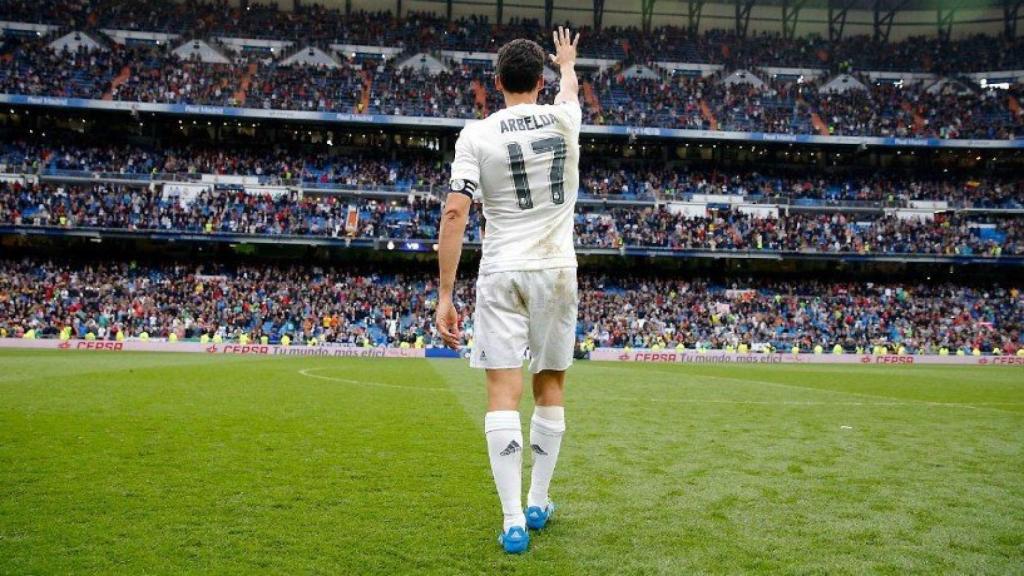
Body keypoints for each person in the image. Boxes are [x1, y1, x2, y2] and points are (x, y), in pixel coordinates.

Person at [435, 27, 582, 554]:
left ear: (497, 82)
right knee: (550, 386)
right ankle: (540, 500)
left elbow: (456, 211)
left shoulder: (476, 135)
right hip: (557, 268)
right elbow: (572, 91)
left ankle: (514, 519)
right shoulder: (566, 118)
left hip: (501, 271)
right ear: (539, 80)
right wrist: (567, 63)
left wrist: (446, 295)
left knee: (503, 393)